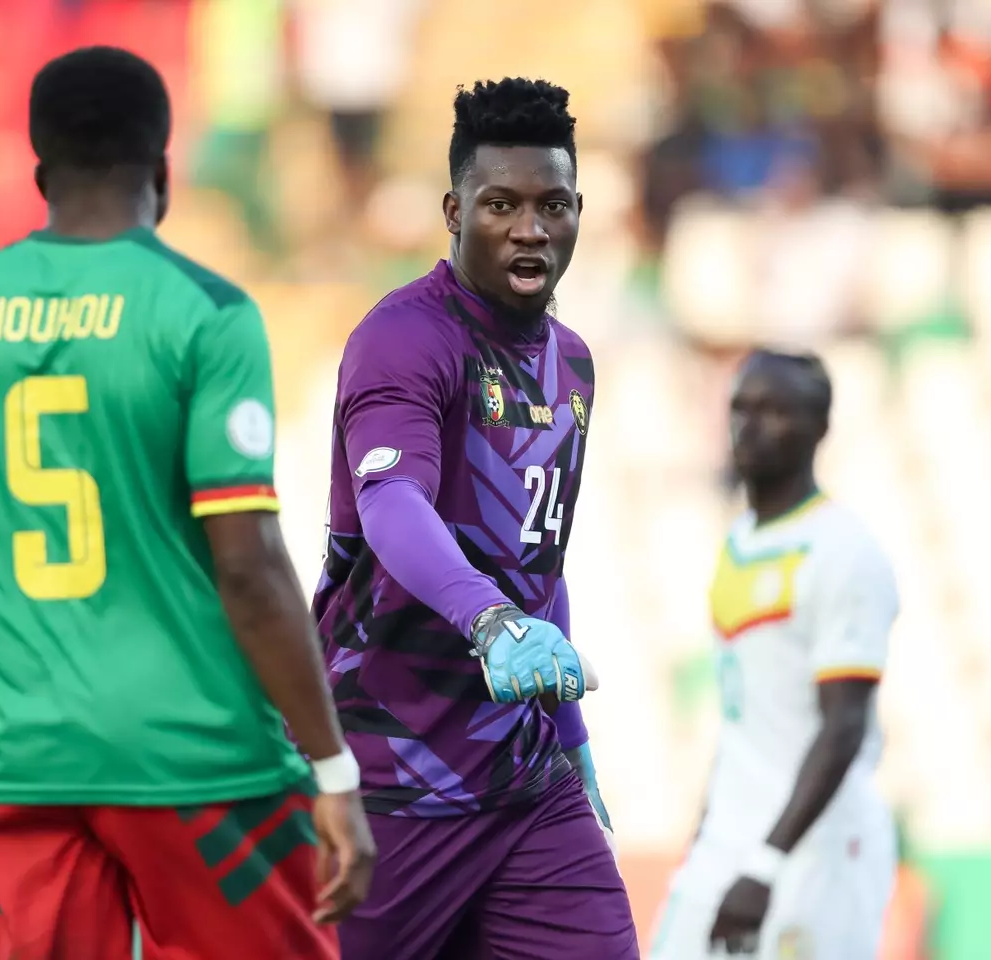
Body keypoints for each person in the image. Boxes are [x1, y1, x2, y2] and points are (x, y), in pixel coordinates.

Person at [0, 46, 374, 960]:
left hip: (18, 763)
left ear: (39, 171)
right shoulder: (204, 313)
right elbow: (249, 567)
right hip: (198, 761)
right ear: (162, 168)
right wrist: (332, 764)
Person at [312, 77, 639, 959]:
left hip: (524, 783)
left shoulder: (571, 362)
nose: (531, 228)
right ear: (454, 210)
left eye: (553, 204)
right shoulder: (404, 339)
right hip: (392, 779)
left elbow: (540, 560)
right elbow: (391, 505)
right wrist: (490, 622)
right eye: (501, 204)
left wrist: (570, 738)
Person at [649, 350, 898, 958]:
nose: (750, 425)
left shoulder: (842, 550)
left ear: (818, 428)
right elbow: (746, 716)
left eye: (774, 411)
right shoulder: (738, 542)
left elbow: (842, 727)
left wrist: (767, 862)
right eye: (741, 407)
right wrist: (709, 824)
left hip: (815, 851)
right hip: (728, 838)